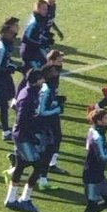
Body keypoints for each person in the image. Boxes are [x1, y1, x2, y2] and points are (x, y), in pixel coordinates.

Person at [4, 69, 52, 212]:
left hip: (23, 135)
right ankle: (25, 199)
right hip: (24, 137)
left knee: (20, 166)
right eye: (41, 79)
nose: (43, 81)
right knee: (39, 166)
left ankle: (11, 199)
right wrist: (32, 136)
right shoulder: (27, 96)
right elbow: (23, 120)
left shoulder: (30, 92)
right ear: (36, 80)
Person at [75, 107, 107, 212]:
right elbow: (103, 158)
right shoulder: (98, 136)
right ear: (99, 121)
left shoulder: (94, 130)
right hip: (92, 175)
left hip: (97, 173)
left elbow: (89, 148)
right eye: (105, 118)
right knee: (92, 204)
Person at [36, 49, 67, 189]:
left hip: (51, 109)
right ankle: (41, 176)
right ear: (51, 60)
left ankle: (51, 165)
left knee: (57, 137)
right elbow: (40, 90)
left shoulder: (55, 69)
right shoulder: (46, 72)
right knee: (45, 145)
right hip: (46, 113)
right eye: (59, 60)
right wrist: (54, 105)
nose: (61, 64)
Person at [19, 0, 51, 77]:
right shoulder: (34, 22)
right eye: (44, 9)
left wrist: (46, 39)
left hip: (34, 51)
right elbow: (24, 38)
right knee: (32, 76)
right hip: (28, 53)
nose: (46, 11)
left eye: (46, 9)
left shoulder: (39, 18)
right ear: (38, 9)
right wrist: (39, 44)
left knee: (43, 68)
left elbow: (37, 34)